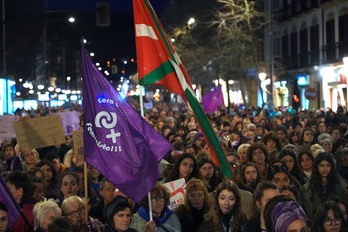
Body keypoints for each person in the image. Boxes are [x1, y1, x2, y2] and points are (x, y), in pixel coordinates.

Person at [302, 152, 348, 221]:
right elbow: (308, 211)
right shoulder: (307, 188)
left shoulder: (341, 185)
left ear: (332, 167)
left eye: (328, 165)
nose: (325, 169)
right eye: (322, 165)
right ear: (317, 166)